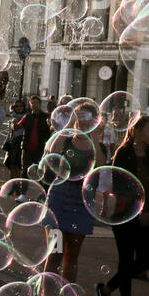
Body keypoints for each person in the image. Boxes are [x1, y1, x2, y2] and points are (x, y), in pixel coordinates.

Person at [97, 114, 149, 296]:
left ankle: (106, 289)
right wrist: (137, 210)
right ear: (136, 131)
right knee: (126, 259)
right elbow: (121, 185)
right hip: (124, 214)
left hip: (146, 216)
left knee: (146, 260)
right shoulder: (123, 153)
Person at [42, 112, 107, 283]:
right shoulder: (66, 140)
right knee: (55, 253)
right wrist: (70, 123)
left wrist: (93, 135)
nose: (83, 122)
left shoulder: (96, 146)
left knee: (71, 256)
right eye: (79, 117)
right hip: (59, 198)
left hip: (82, 201)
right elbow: (51, 150)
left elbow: (100, 166)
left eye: (88, 118)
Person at [18, 95, 52, 177]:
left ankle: (37, 188)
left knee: (40, 171)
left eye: (36, 102)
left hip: (41, 148)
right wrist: (13, 123)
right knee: (25, 171)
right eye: (32, 103)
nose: (34, 104)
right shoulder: (27, 116)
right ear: (30, 105)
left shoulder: (46, 117)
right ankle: (24, 188)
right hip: (27, 148)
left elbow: (51, 128)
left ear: (40, 104)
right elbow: (17, 127)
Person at [4, 98, 27, 178]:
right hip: (12, 141)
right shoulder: (13, 116)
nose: (19, 107)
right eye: (17, 106)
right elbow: (11, 131)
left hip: (20, 141)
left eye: (21, 106)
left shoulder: (25, 117)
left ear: (24, 107)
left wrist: (16, 122)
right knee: (11, 165)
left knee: (18, 165)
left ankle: (17, 184)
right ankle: (12, 182)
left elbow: (16, 128)